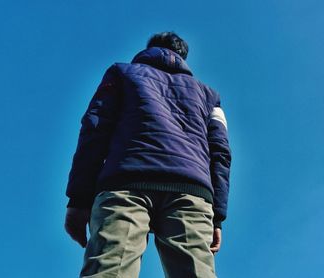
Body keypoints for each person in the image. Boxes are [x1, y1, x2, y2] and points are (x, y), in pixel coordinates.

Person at [64, 31, 231, 278]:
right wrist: (217, 215)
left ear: (149, 49)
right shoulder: (209, 97)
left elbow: (95, 129)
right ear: (183, 57)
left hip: (126, 182)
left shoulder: (121, 74)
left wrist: (79, 199)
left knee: (111, 270)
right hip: (191, 190)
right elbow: (221, 152)